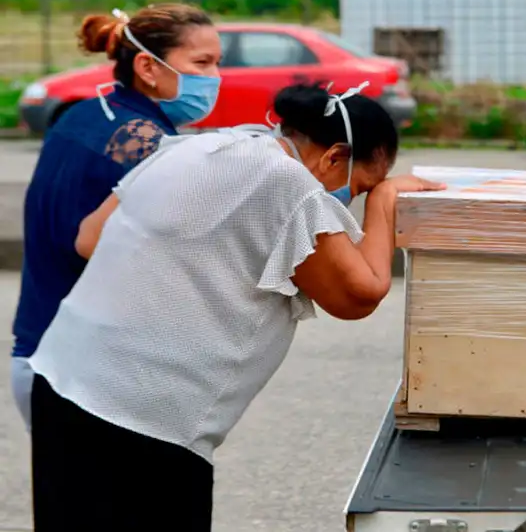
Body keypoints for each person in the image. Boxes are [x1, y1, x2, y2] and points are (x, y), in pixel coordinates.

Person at [27, 81, 445, 530]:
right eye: (361, 187)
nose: (353, 200)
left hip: (62, 382)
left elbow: (90, 237)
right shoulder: (290, 184)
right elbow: (358, 294)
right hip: (145, 422)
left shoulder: (201, 145)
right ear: (335, 157)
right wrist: (384, 204)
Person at [10, 4, 221, 430]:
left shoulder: (82, 116)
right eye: (202, 63)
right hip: (87, 377)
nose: (215, 77)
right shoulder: (146, 142)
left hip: (36, 354)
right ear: (147, 65)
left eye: (218, 63)